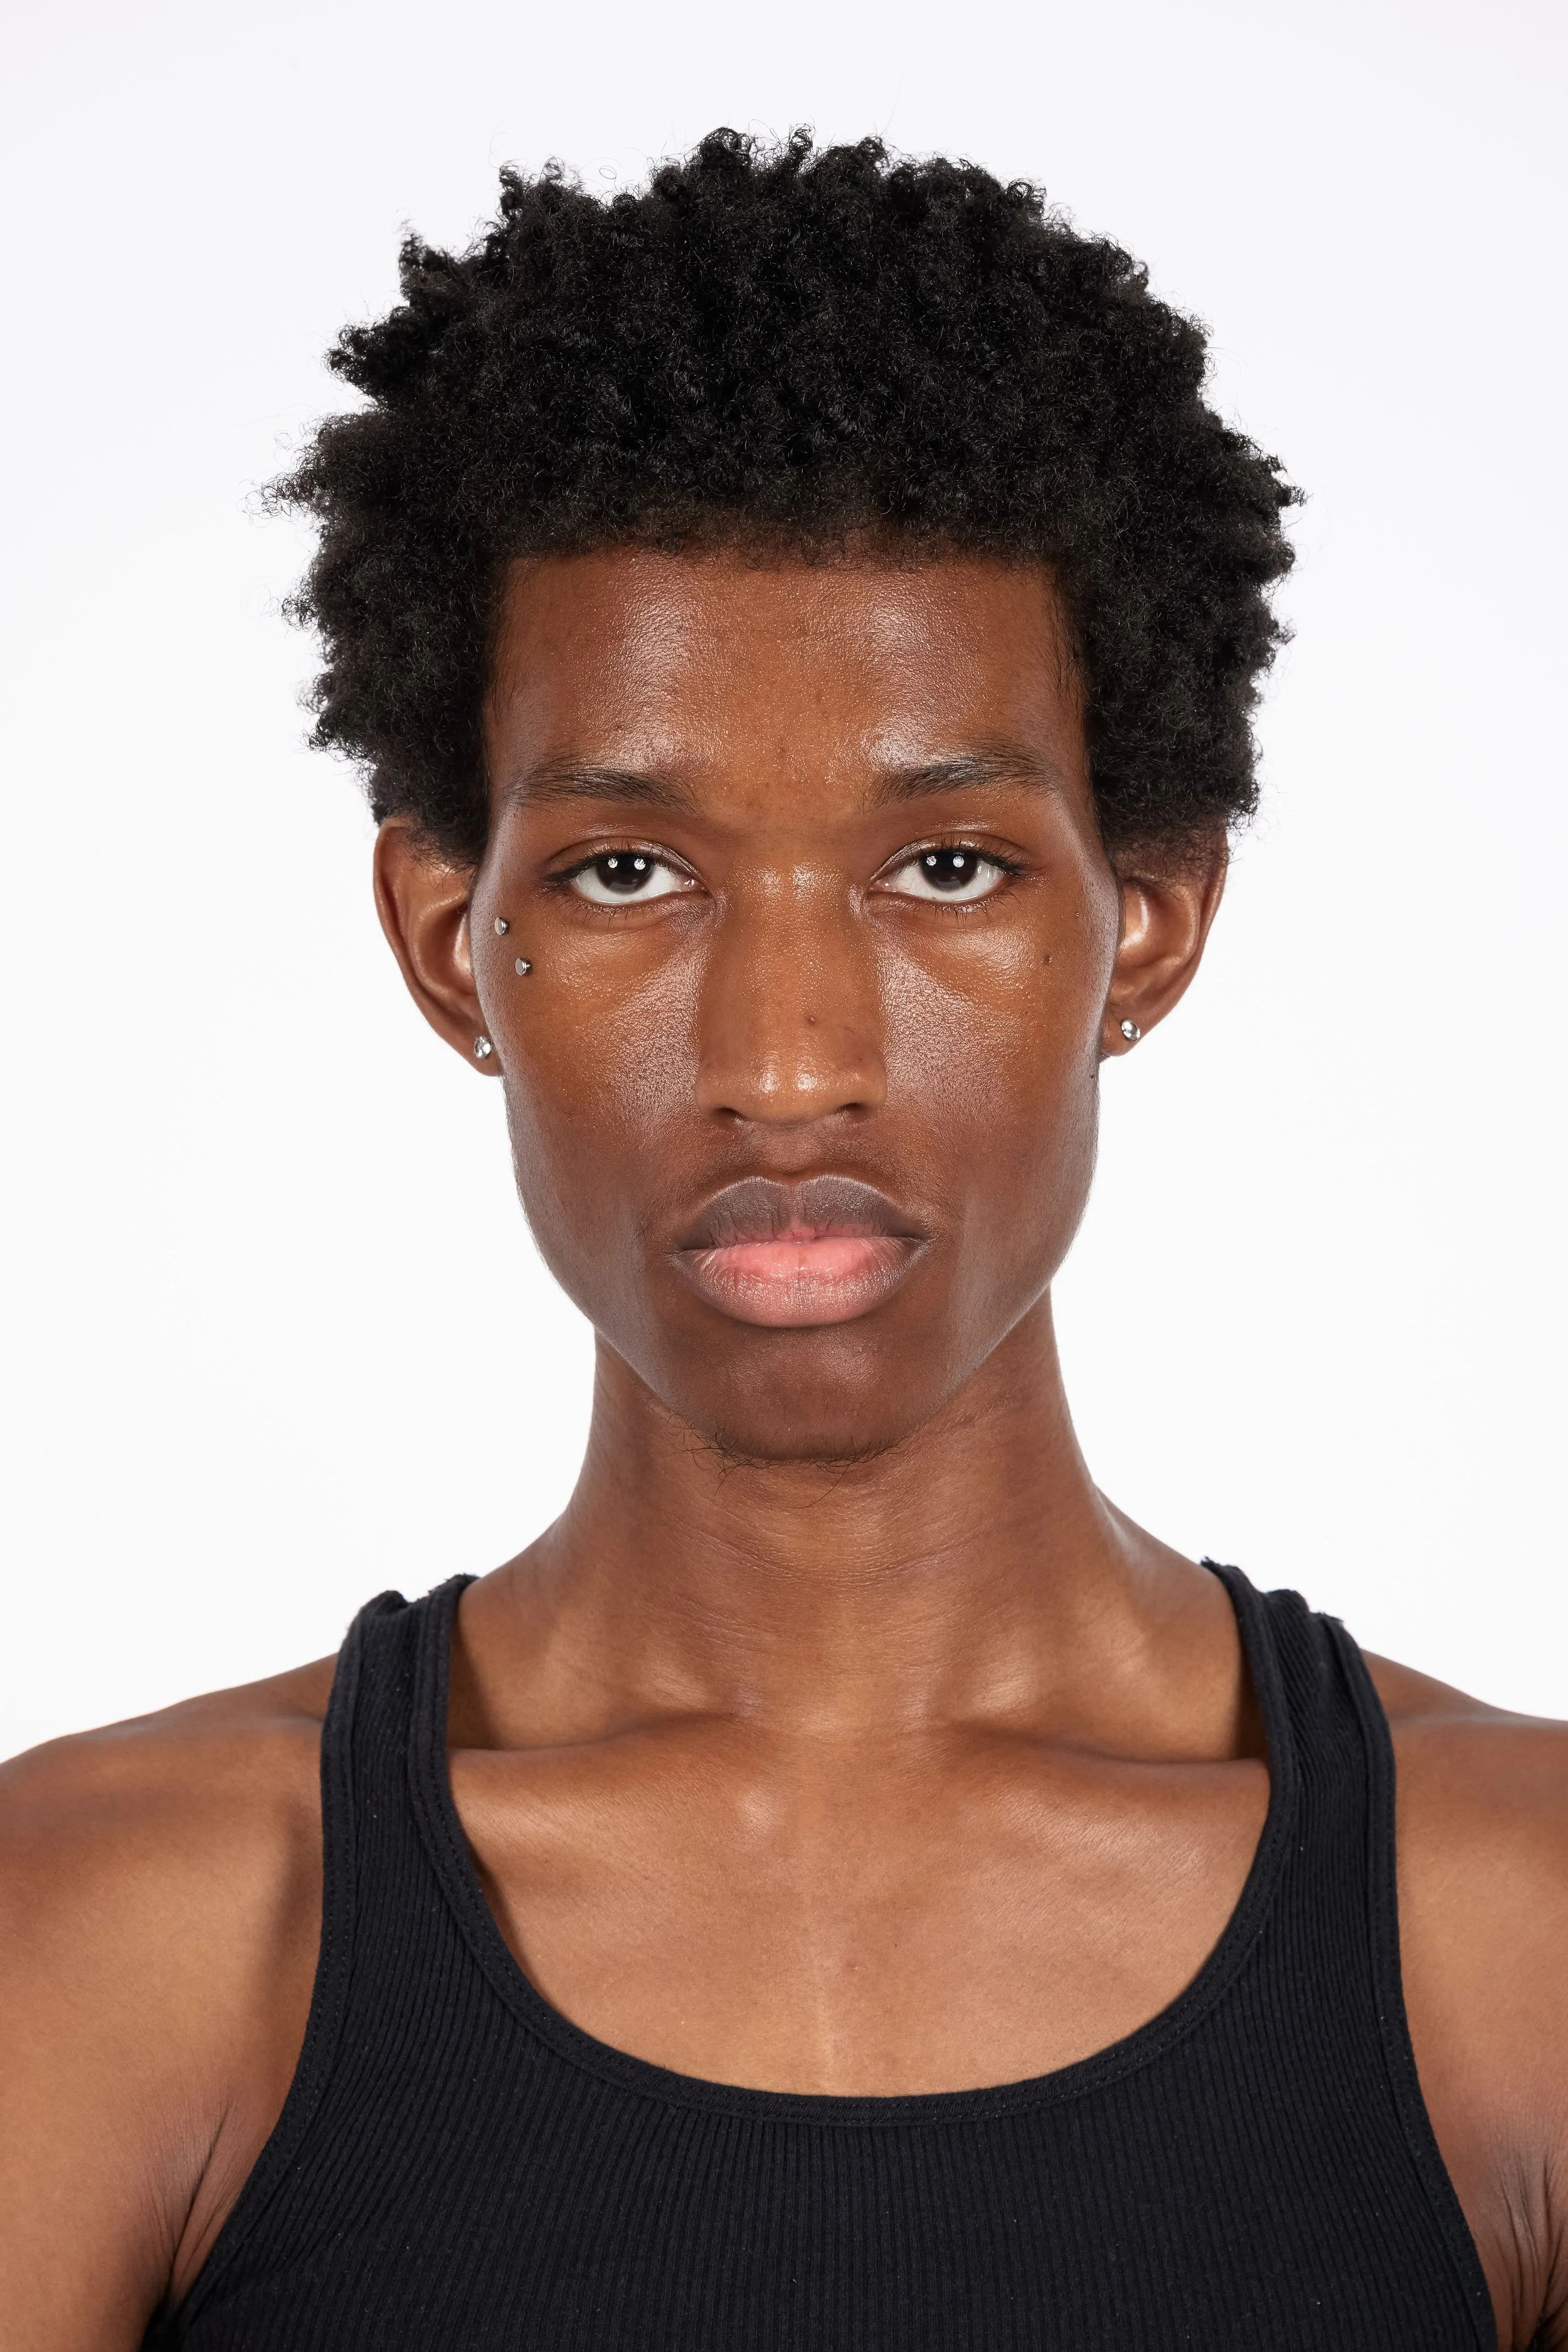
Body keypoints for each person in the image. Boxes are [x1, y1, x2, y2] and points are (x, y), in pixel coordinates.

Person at [2, 127, 1564, 2352]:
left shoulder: (1512, 1942)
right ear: (454, 945)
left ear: (1149, 922)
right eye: (630, 872)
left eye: (945, 869)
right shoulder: (111, 1934)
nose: (792, 1060)